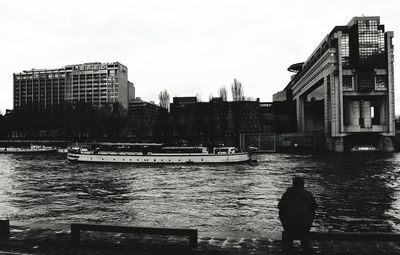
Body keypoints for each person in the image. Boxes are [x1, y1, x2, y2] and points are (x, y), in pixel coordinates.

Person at [278, 176, 317, 249]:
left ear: (293, 184)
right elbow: (314, 206)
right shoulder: (308, 194)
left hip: (289, 226)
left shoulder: (287, 194)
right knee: (312, 210)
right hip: (305, 226)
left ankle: (289, 238)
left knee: (282, 210)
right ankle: (304, 242)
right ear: (303, 185)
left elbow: (280, 206)